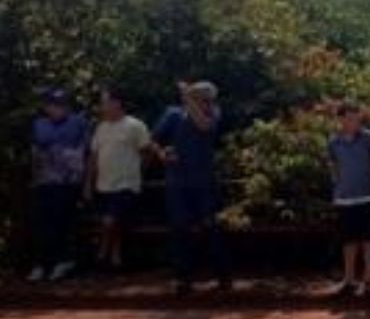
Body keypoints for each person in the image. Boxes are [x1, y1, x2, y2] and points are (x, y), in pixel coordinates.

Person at [151, 81, 228, 295]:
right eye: (202, 97)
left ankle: (222, 275)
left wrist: (188, 98)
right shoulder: (172, 114)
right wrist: (162, 154)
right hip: (177, 182)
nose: (207, 102)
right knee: (179, 229)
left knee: (211, 226)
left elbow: (204, 125)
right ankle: (183, 278)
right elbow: (154, 140)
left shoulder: (214, 113)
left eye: (208, 98)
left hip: (204, 181)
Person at [86, 87, 151, 271]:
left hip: (126, 184)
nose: (102, 106)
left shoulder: (135, 125)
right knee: (114, 222)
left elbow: (146, 151)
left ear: (117, 103)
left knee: (110, 220)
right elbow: (93, 156)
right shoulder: (101, 127)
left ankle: (101, 254)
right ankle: (115, 259)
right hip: (104, 184)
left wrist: (137, 172)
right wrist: (88, 184)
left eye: (105, 102)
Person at [29, 88, 90, 282]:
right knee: (42, 223)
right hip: (44, 181)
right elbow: (35, 151)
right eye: (52, 104)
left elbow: (85, 151)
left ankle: (63, 262)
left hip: (68, 182)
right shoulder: (39, 124)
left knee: (62, 221)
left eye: (60, 104)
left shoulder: (78, 123)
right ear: (46, 107)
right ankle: (41, 264)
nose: (56, 108)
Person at [328, 102, 370, 297]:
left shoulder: (369, 139)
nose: (355, 122)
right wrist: (336, 190)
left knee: (369, 240)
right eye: (350, 118)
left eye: (357, 119)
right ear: (340, 119)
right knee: (348, 242)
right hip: (344, 199)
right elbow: (333, 168)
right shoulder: (333, 142)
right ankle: (349, 280)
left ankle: (368, 281)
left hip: (366, 197)